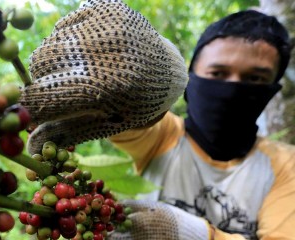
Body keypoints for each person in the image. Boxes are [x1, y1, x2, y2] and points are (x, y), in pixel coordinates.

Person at [20, 0, 295, 239]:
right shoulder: (163, 135)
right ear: (192, 75)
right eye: (218, 73)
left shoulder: (286, 165)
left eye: (255, 79)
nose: (234, 88)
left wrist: (196, 235)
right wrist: (154, 82)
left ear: (273, 88)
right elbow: (124, 117)